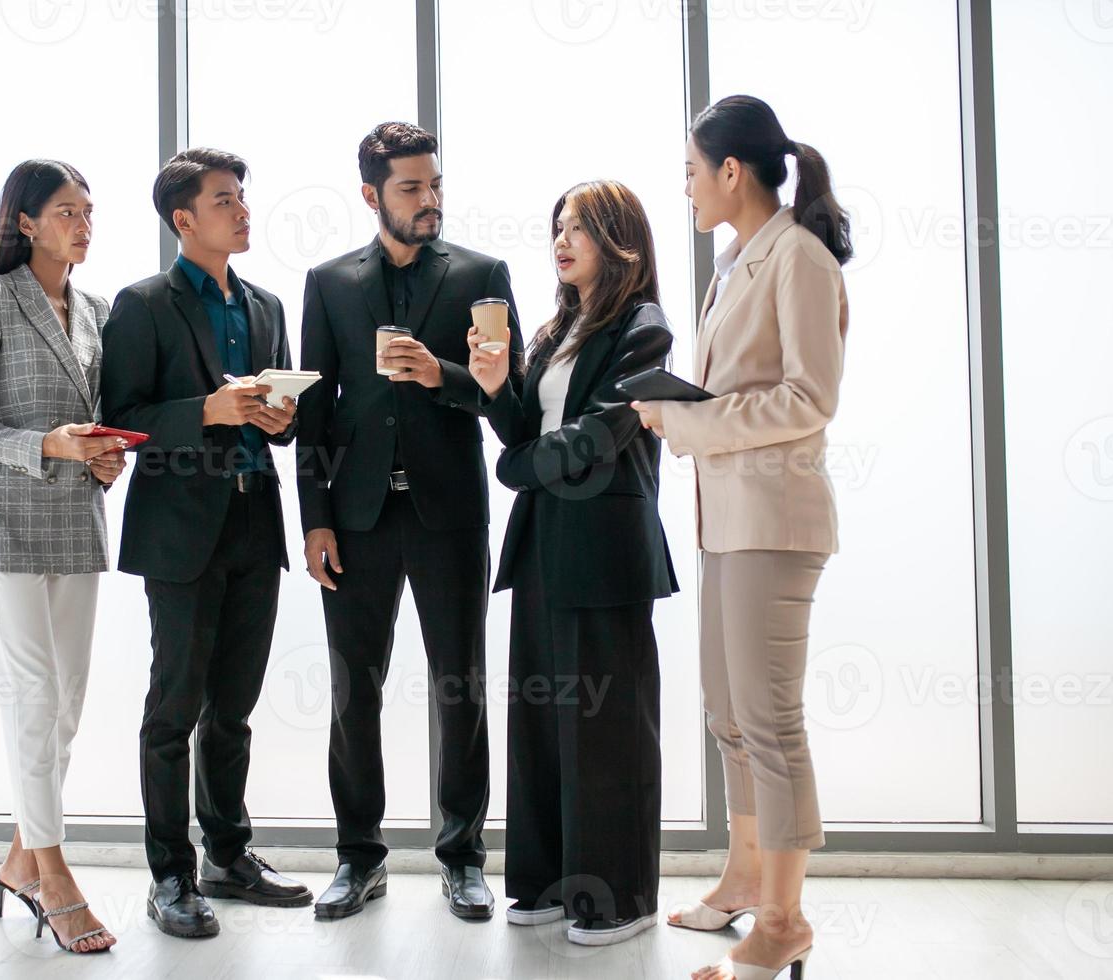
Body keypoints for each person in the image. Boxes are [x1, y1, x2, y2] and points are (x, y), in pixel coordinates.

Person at [632, 94, 852, 980]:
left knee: (771, 724)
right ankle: (743, 878)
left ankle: (785, 921)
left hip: (775, 519)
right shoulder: (736, 261)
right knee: (728, 715)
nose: (685, 187)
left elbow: (811, 398)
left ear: (731, 171)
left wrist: (690, 423)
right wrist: (676, 406)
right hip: (726, 519)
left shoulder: (797, 256)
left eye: (691, 170)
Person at [295, 121, 525, 922]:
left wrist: (443, 375)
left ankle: (463, 857)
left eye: (434, 185)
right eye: (410, 188)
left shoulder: (482, 275)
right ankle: (359, 857)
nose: (429, 201)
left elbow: (512, 404)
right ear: (371, 195)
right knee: (353, 691)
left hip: (449, 514)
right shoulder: (327, 284)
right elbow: (314, 413)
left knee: (459, 685)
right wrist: (315, 521)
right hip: (355, 520)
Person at [100, 147, 310, 940]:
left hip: (257, 520)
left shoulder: (264, 305)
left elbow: (280, 413)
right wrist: (210, 413)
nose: (243, 211)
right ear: (184, 219)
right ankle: (169, 877)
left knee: (236, 709)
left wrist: (279, 416)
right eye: (226, 201)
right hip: (181, 532)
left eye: (243, 199)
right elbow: (123, 418)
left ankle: (229, 854)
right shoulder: (142, 303)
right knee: (174, 708)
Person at [468, 179, 677, 946]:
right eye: (557, 226)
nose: (561, 241)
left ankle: (620, 897)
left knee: (607, 729)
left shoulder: (642, 328)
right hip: (546, 544)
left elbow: (598, 437)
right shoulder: (558, 326)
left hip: (607, 550)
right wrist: (494, 389)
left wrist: (516, 466)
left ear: (617, 238)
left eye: (579, 228)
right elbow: (524, 426)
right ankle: (550, 883)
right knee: (542, 721)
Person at [0, 159, 126, 954]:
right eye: (64, 211)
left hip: (77, 522)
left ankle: (19, 858)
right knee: (33, 698)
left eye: (88, 211)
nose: (82, 224)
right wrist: (43, 445)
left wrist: (103, 457)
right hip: (10, 523)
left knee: (68, 705)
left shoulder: (97, 307)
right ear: (24, 221)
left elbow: (95, 421)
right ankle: (54, 873)